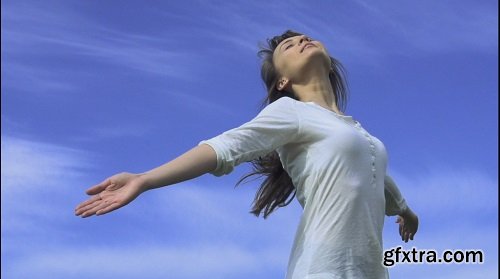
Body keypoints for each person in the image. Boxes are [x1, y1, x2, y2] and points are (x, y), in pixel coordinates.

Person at [75, 29, 419, 279]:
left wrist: (405, 211)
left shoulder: (357, 131)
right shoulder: (290, 112)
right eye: (289, 45)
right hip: (323, 270)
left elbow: (376, 178)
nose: (301, 40)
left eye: (304, 37)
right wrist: (145, 179)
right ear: (282, 81)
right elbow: (224, 147)